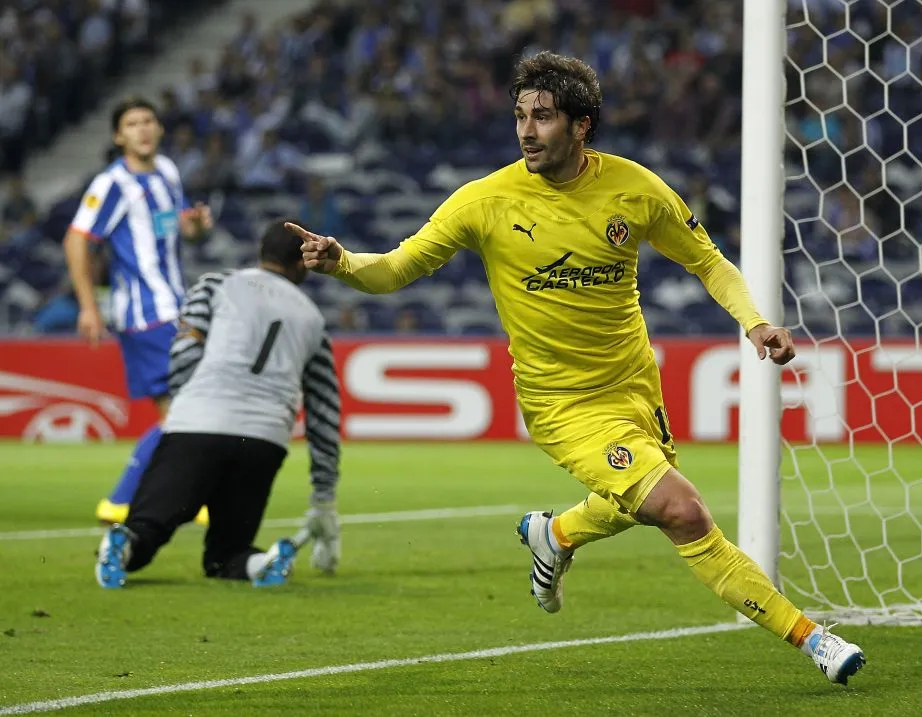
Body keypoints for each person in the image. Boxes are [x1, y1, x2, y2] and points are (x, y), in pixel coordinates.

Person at [286, 51, 867, 685]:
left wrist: (755, 322)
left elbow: (708, 261)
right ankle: (812, 638)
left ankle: (556, 534)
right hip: (561, 404)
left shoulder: (634, 189)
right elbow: (397, 268)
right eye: (520, 116)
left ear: (581, 125)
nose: (526, 131)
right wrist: (343, 262)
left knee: (642, 500)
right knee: (682, 510)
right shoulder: (486, 202)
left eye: (543, 117)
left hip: (633, 385)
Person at [94, 220, 342, 588]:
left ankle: (125, 545)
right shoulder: (313, 318)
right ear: (302, 263)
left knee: (147, 526)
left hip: (198, 422)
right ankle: (262, 563)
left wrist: (181, 403)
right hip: (264, 438)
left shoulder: (216, 284)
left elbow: (184, 349)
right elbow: (324, 411)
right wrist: (324, 493)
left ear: (261, 251)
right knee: (229, 552)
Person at [63, 96, 213, 526]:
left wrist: (197, 226)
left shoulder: (167, 171)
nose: (143, 129)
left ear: (160, 129)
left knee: (187, 409)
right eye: (132, 123)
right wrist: (89, 307)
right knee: (189, 408)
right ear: (118, 136)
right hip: (146, 314)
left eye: (148, 121)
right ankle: (121, 499)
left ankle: (185, 496)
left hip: (175, 306)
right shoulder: (112, 184)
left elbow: (178, 226)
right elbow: (76, 240)